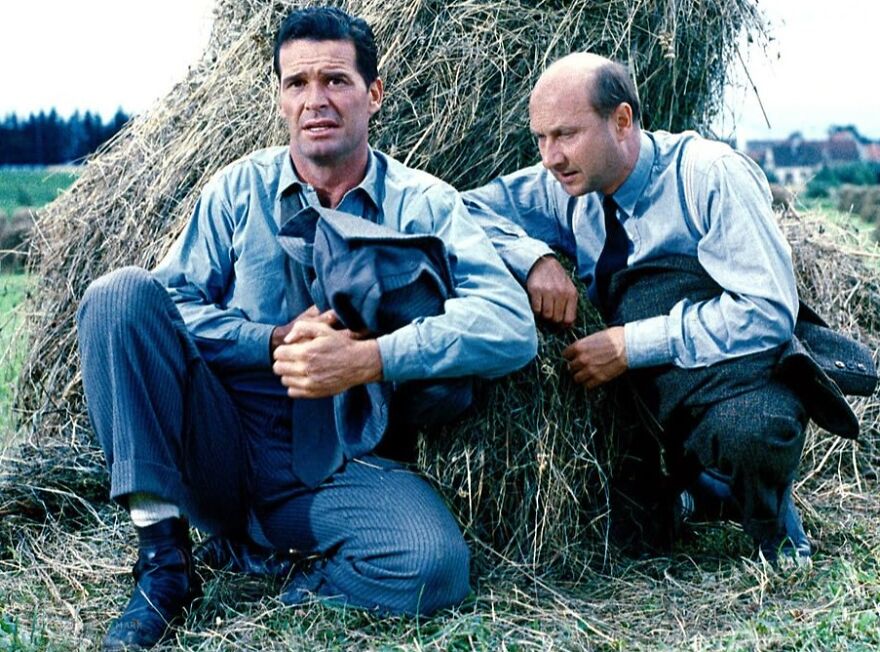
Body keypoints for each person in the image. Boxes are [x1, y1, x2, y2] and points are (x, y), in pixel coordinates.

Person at [76, 7, 536, 650]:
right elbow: (170, 304)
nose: (315, 100)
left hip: (341, 462)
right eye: (297, 84)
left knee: (434, 567)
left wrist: (370, 359)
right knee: (118, 294)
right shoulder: (239, 190)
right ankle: (164, 567)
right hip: (223, 447)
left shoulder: (425, 202)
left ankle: (271, 566)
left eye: (336, 80)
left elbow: (511, 324)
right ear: (279, 97)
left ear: (373, 94)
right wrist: (265, 340)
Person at [464, 52, 817, 563]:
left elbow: (767, 312)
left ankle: (770, 514)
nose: (550, 156)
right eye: (540, 138)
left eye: (565, 134)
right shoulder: (561, 185)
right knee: (634, 539)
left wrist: (631, 344)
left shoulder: (710, 176)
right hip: (634, 397)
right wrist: (534, 258)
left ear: (622, 120)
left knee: (755, 430)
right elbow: (461, 209)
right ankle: (699, 489)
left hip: (724, 372)